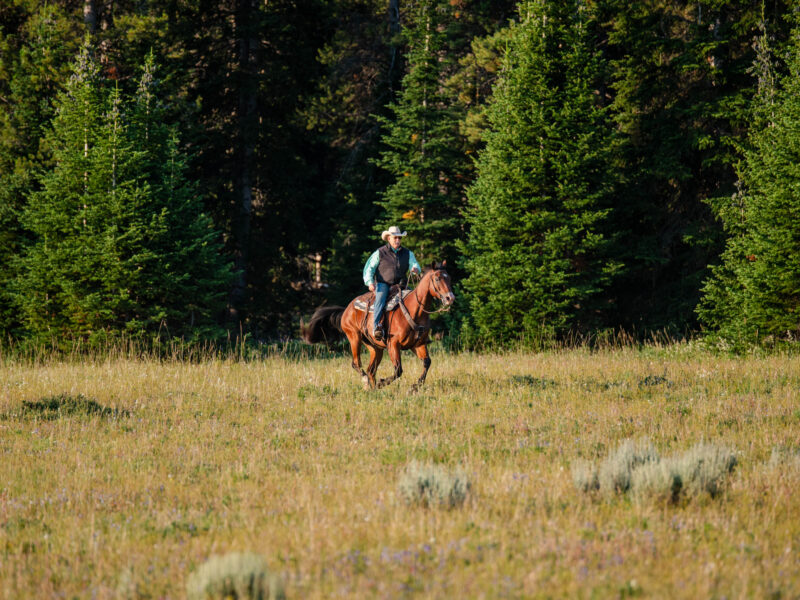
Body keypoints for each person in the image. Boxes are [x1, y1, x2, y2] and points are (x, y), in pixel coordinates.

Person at [362, 225, 421, 341]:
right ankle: (377, 327)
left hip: (401, 284)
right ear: (389, 238)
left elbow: (415, 264)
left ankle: (417, 329)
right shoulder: (380, 252)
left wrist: (415, 269)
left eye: (399, 238)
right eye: (395, 238)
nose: (398, 240)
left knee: (415, 300)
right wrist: (369, 282)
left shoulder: (408, 253)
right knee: (380, 300)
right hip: (383, 284)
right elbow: (369, 268)